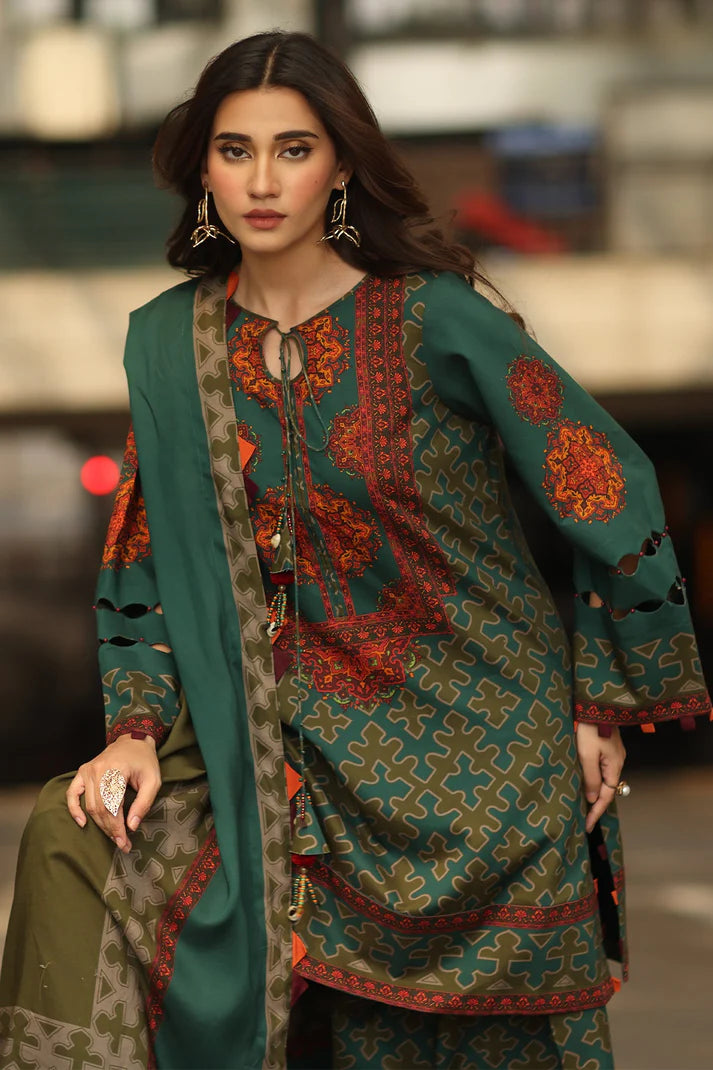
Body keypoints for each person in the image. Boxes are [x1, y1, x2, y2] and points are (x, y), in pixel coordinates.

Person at [1, 30, 710, 1070]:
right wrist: (136, 729)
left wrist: (594, 698)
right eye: (234, 150)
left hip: (487, 761)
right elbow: (143, 552)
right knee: (71, 846)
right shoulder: (174, 344)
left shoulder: (435, 317)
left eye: (294, 149)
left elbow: (605, 481)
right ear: (201, 166)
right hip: (300, 767)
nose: (261, 179)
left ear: (339, 164)